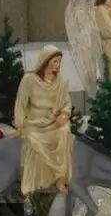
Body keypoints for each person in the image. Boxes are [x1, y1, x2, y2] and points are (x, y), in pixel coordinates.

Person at [12, 45, 74, 195]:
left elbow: (67, 102)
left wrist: (64, 114)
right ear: (45, 62)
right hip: (35, 121)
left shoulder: (62, 81)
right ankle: (37, 181)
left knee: (64, 132)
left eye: (59, 61)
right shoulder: (29, 80)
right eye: (54, 61)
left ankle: (59, 178)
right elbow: (21, 102)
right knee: (34, 139)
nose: (57, 65)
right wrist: (19, 125)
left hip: (54, 120)